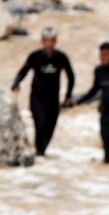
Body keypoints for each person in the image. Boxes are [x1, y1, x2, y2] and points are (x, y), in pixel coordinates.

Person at [10, 27, 75, 157]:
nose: (49, 43)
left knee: (49, 130)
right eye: (46, 40)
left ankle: (40, 155)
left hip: (53, 100)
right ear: (42, 41)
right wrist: (17, 83)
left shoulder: (61, 57)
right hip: (37, 98)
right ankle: (38, 155)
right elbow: (23, 71)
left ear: (55, 41)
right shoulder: (35, 56)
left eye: (51, 40)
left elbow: (71, 76)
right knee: (40, 126)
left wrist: (68, 95)